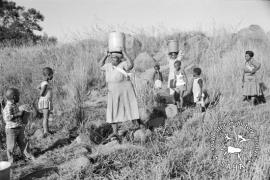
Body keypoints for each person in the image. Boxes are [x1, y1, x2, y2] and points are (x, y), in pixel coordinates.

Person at [100, 48, 140, 142]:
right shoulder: (108, 65)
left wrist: (125, 53)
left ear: (120, 58)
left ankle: (137, 126)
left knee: (130, 107)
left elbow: (131, 65)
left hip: (125, 89)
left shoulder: (123, 64)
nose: (115, 59)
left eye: (117, 58)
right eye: (113, 57)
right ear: (110, 58)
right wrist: (105, 55)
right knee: (113, 110)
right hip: (113, 91)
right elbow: (100, 65)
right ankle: (115, 132)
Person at [2, 88, 33, 163]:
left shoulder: (14, 104)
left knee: (23, 143)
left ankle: (28, 156)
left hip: (19, 127)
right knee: (11, 146)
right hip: (11, 130)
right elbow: (6, 117)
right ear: (14, 97)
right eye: (18, 96)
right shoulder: (8, 106)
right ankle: (11, 162)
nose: (19, 97)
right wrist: (17, 114)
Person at [37, 67, 54, 138]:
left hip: (45, 101)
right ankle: (46, 131)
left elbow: (38, 87)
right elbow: (41, 93)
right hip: (45, 101)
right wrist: (42, 93)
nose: (52, 76)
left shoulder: (44, 82)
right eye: (51, 75)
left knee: (46, 117)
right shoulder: (45, 83)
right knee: (46, 117)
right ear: (48, 75)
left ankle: (47, 130)